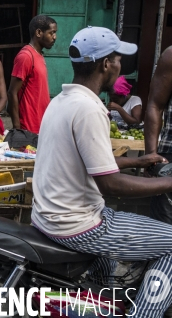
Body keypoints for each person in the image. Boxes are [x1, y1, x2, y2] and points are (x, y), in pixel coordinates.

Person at [32, 26, 172, 317]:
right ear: (106, 63)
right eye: (118, 60)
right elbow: (110, 185)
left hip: (49, 216)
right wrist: (169, 183)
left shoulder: (61, 101)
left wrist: (137, 162)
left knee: (109, 271)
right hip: (78, 223)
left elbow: (86, 163)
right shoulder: (89, 109)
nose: (120, 67)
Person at [6, 15, 56, 134]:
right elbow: (12, 92)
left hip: (40, 124)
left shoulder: (39, 55)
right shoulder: (26, 56)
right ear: (39, 32)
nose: (55, 37)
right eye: (51, 33)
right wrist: (17, 129)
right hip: (27, 127)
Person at [144, 46, 172, 224]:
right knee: (165, 231)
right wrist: (151, 157)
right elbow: (155, 105)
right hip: (170, 158)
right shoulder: (171, 55)